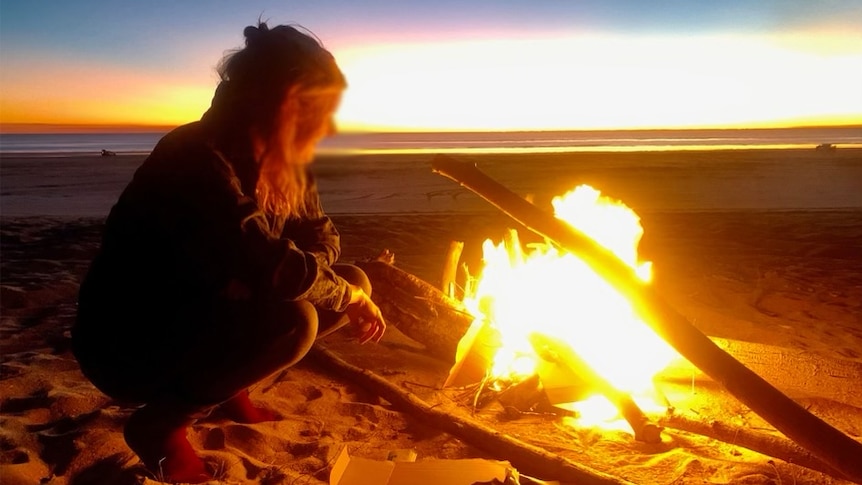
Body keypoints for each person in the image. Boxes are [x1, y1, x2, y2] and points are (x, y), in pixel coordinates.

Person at [72, 22, 385, 483]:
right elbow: (275, 265)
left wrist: (279, 273)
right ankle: (161, 424)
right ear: (278, 99)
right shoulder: (195, 156)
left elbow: (322, 233)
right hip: (131, 336)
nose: (324, 123)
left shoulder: (284, 159)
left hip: (208, 313)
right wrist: (282, 275)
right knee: (298, 319)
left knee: (352, 278)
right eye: (315, 107)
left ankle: (226, 384)